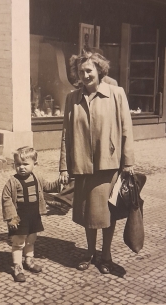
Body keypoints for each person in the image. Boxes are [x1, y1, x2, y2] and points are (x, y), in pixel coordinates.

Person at [59, 51, 134, 273]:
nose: (85, 75)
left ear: (99, 70)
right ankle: (91, 253)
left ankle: (106, 255)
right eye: (81, 71)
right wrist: (64, 165)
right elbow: (65, 133)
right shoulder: (72, 98)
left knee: (106, 213)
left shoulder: (116, 94)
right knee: (88, 213)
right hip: (82, 164)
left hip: (108, 163)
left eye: (89, 70)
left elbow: (127, 128)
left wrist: (128, 161)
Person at [2, 146, 60, 282]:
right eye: (18, 164)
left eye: (25, 164)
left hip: (34, 215)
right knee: (18, 242)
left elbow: (48, 187)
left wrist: (60, 183)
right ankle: (18, 267)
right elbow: (6, 198)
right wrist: (11, 217)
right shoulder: (13, 181)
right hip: (19, 216)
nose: (21, 167)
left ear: (35, 164)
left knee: (31, 240)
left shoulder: (37, 177)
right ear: (14, 165)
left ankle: (29, 260)